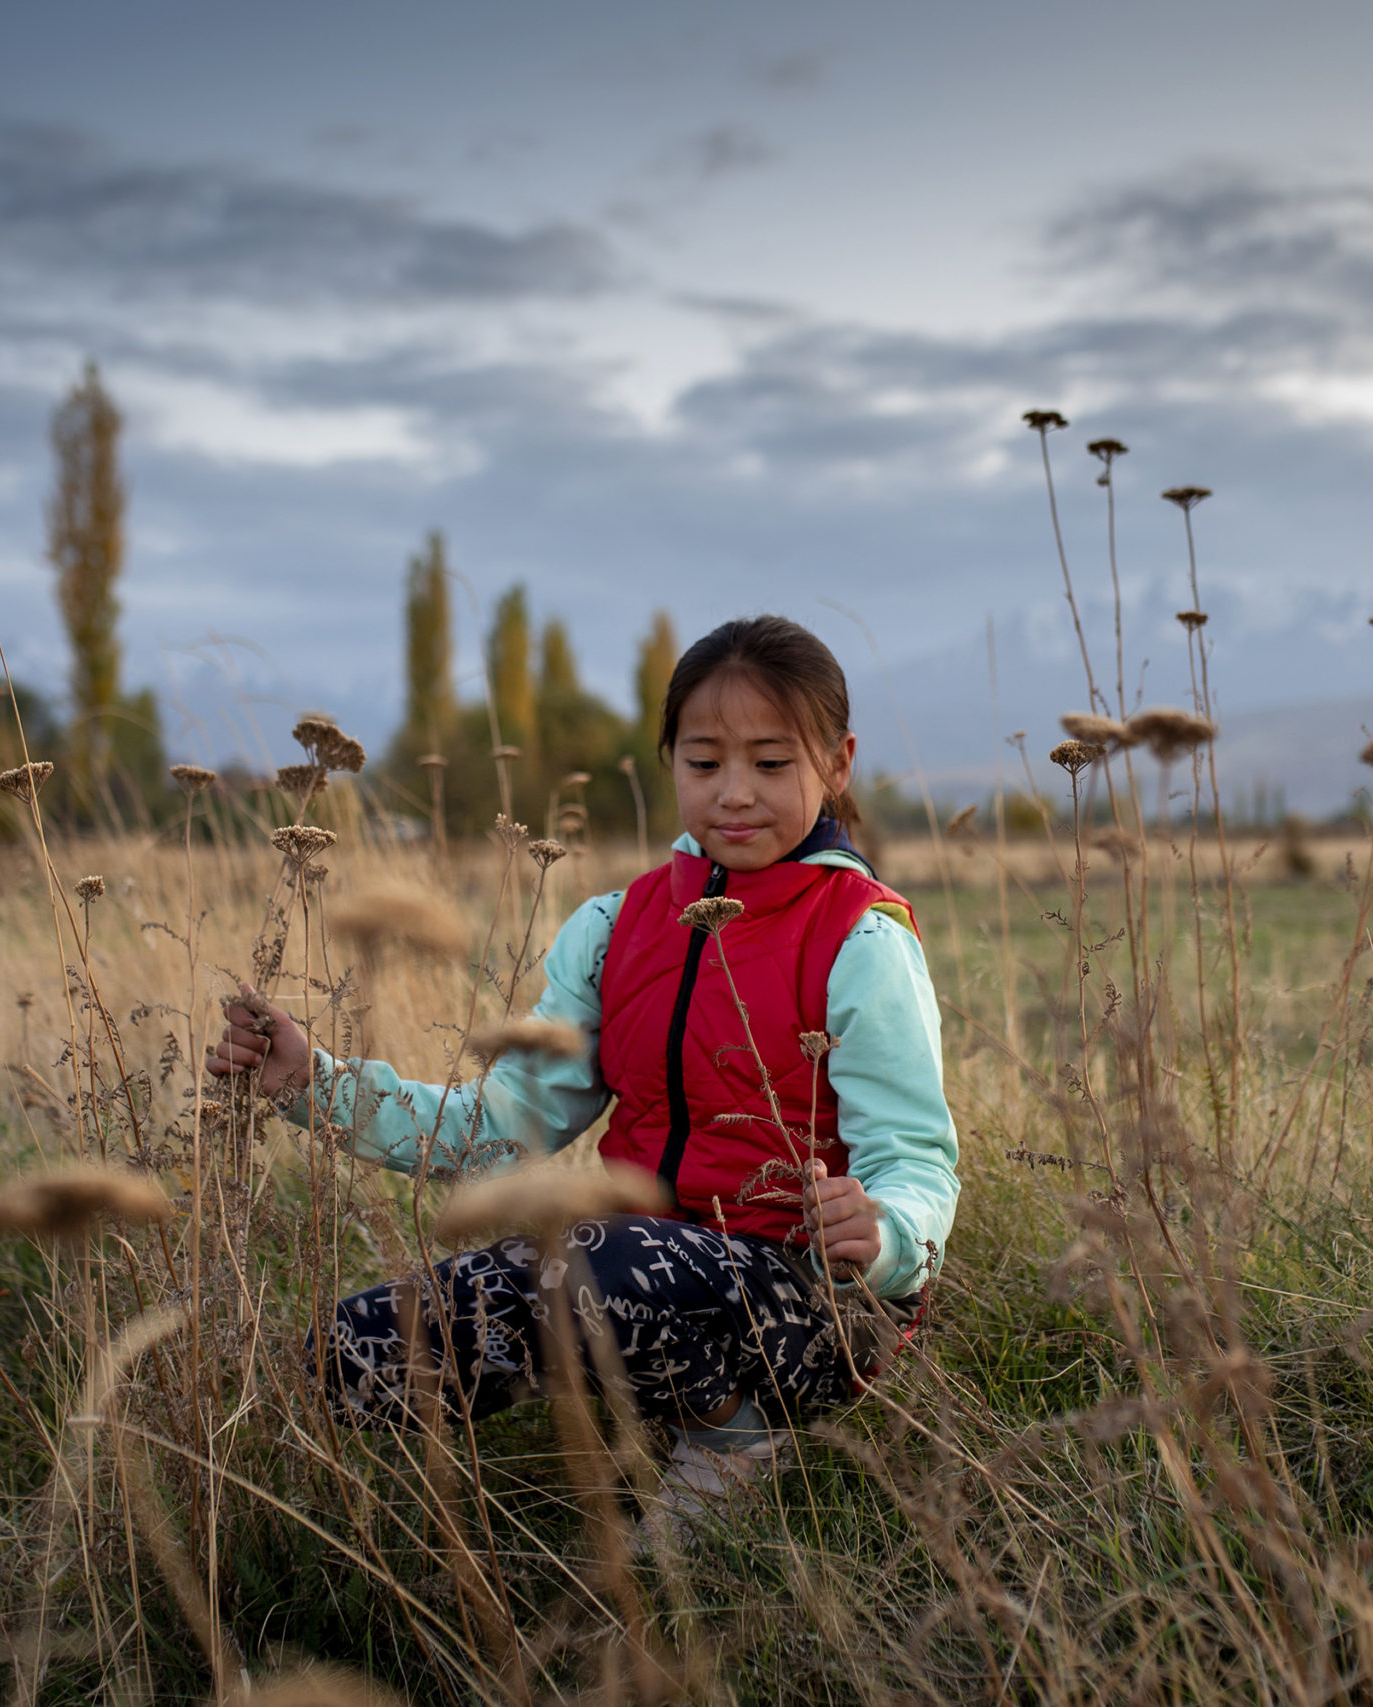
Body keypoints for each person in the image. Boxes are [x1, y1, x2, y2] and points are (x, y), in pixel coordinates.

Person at [206, 615, 959, 1514]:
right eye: (704, 762)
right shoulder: (617, 927)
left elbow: (916, 1159)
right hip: (639, 1268)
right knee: (358, 1349)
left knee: (596, 1258)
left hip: (819, 1302)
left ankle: (734, 1435)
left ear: (837, 762)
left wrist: (883, 1232)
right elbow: (499, 1124)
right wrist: (312, 1083)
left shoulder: (861, 936)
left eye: (771, 762)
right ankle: (648, 1405)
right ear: (669, 759)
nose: (735, 794)